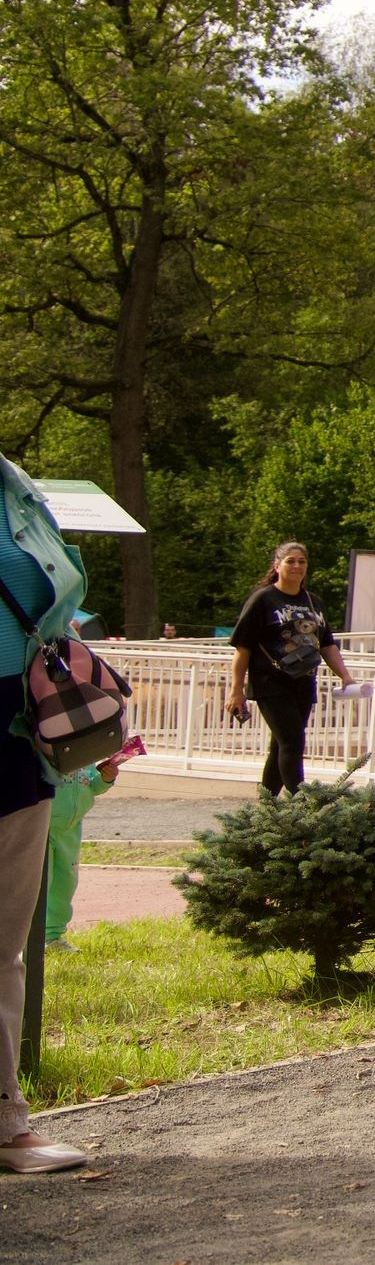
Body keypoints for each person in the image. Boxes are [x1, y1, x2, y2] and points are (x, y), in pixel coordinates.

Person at [0, 455, 89, 1173]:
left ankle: (6, 1124)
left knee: (3, 946)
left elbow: (59, 598)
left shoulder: (15, 487)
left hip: (17, 738)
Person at [225, 543, 359, 796]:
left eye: (301, 561)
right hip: (270, 682)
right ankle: (304, 806)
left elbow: (327, 644)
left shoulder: (313, 602)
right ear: (277, 566)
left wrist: (345, 676)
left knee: (280, 747)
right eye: (290, 561)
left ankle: (267, 810)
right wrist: (236, 690)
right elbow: (243, 648)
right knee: (293, 742)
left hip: (303, 682)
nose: (296, 566)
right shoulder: (263, 599)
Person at [43, 751, 121, 948]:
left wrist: (105, 779)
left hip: (71, 828)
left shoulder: (85, 753)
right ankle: (29, 938)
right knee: (40, 883)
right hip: (43, 826)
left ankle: (52, 936)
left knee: (65, 883)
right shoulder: (48, 745)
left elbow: (92, 786)